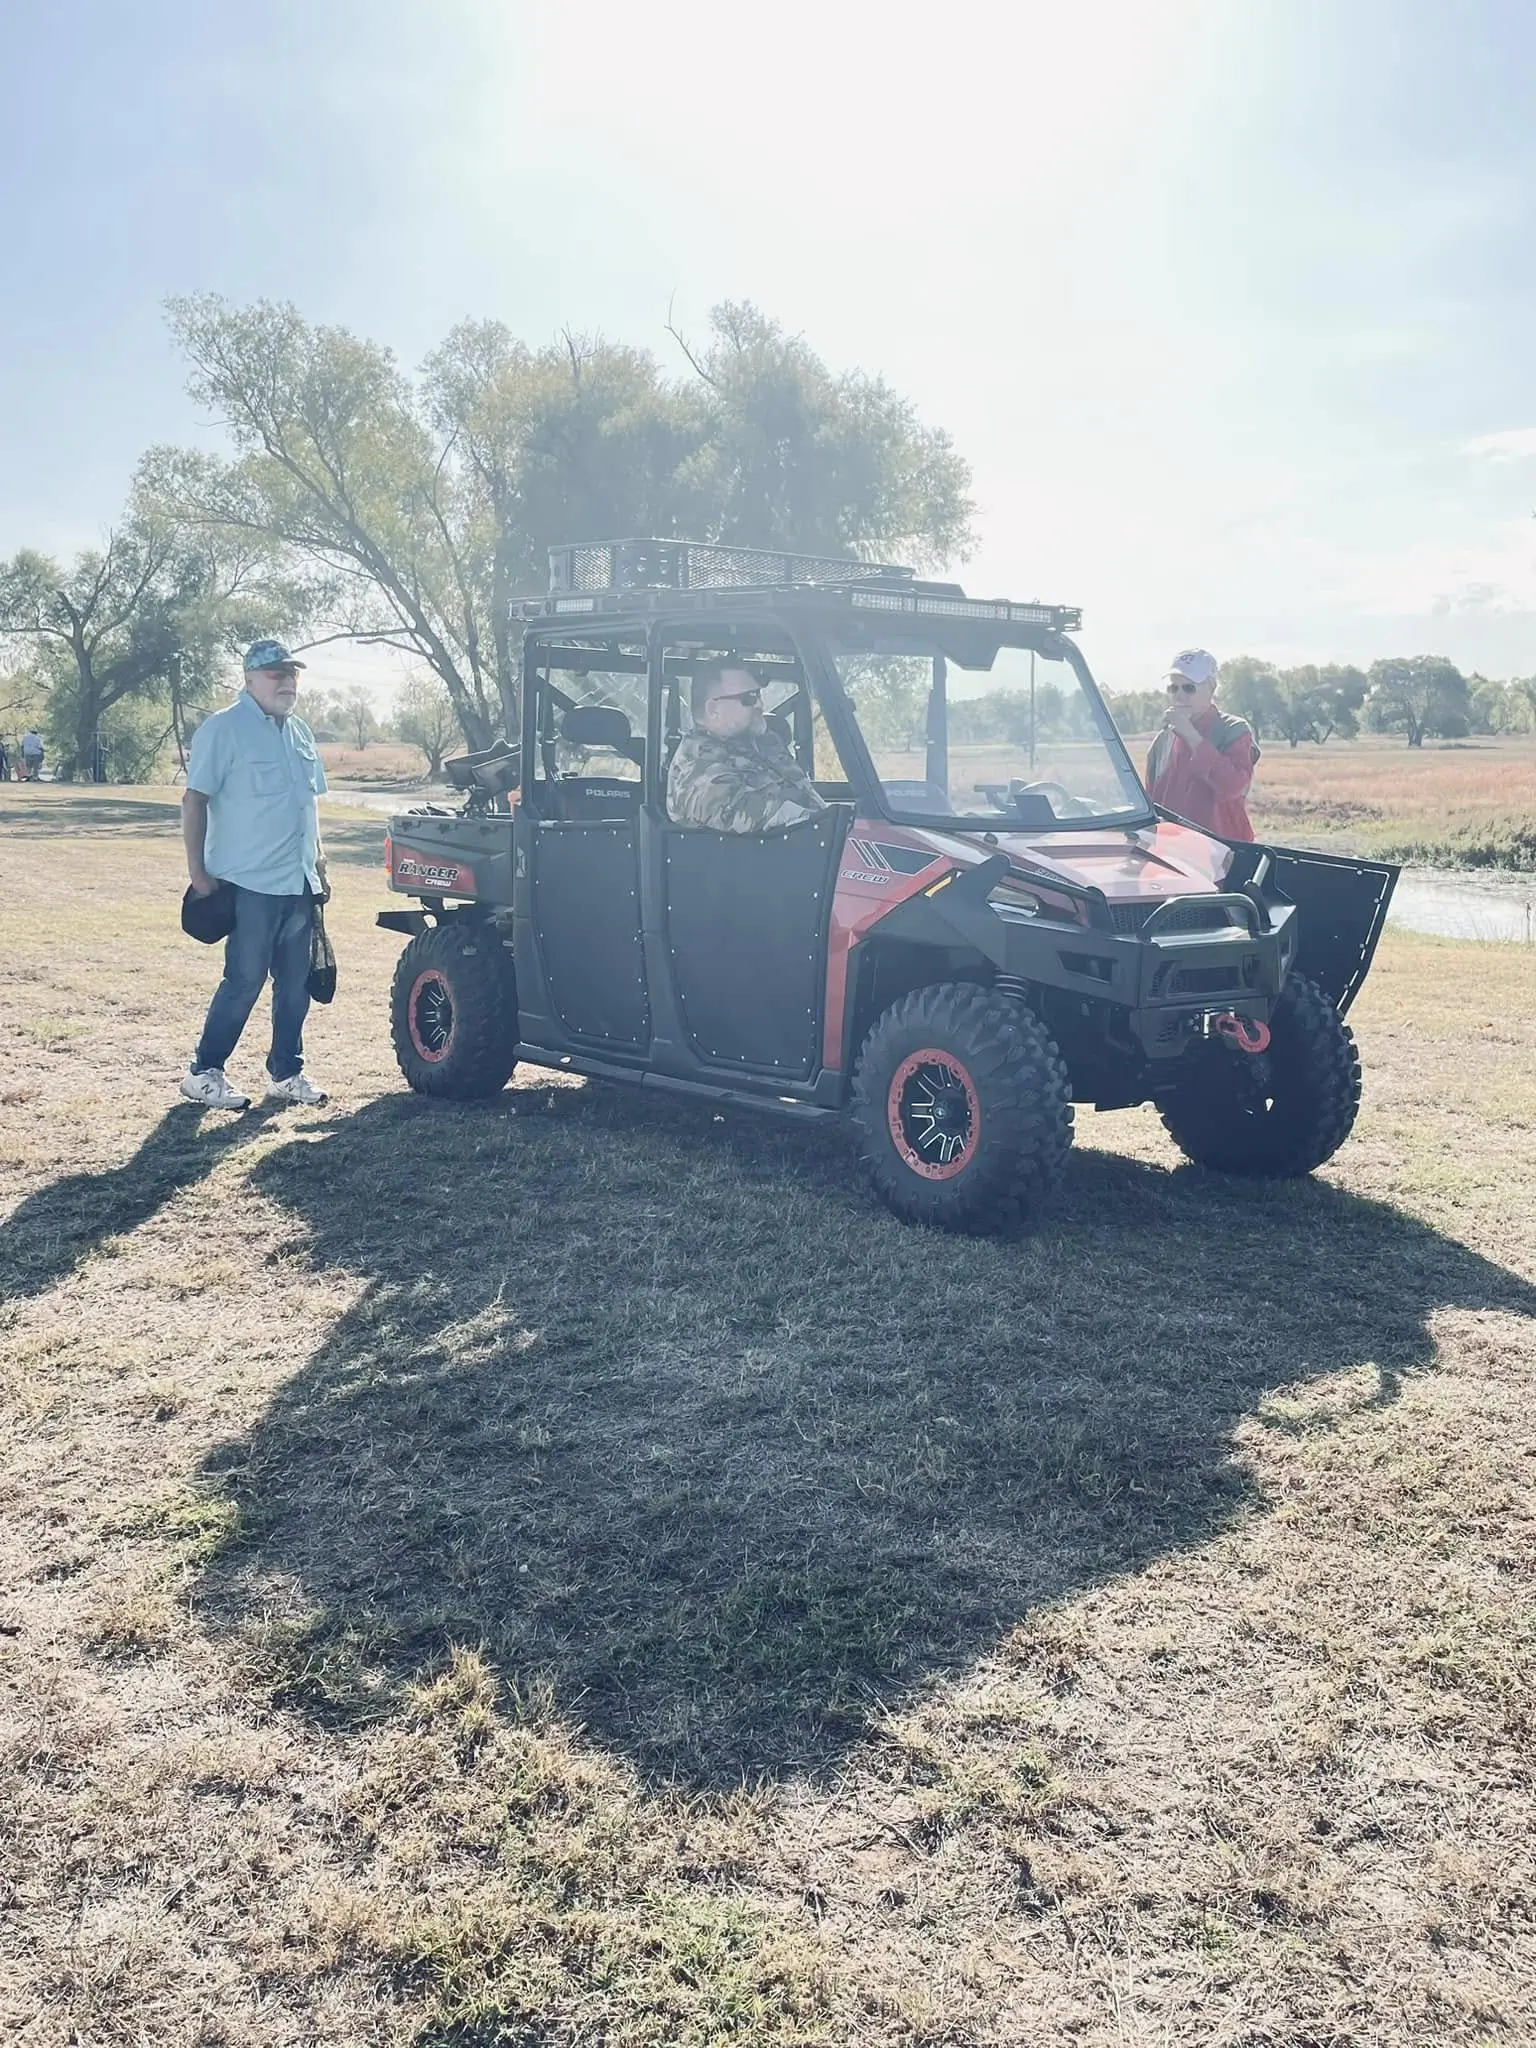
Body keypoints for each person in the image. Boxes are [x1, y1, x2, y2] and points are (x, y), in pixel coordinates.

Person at [179, 639, 331, 1110]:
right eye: (275, 673)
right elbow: (194, 800)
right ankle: (204, 1073)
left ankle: (286, 1072)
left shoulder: (301, 732)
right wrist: (199, 875)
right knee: (244, 980)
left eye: (292, 673)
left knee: (296, 984)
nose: (287, 681)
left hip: (298, 882)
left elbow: (309, 806)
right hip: (248, 884)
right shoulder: (224, 729)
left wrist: (320, 863)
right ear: (248, 679)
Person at [667, 664, 828, 831]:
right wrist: (834, 825)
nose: (760, 704)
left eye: (759, 695)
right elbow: (769, 818)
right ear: (713, 709)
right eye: (749, 698)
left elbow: (806, 795)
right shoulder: (696, 765)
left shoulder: (756, 744)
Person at [1145, 649, 1258, 841]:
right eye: (1173, 688)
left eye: (1189, 688)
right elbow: (1151, 800)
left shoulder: (1233, 730)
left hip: (1224, 852)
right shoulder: (1163, 740)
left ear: (1211, 688)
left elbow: (1232, 786)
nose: (1179, 695)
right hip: (1172, 849)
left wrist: (1190, 735)